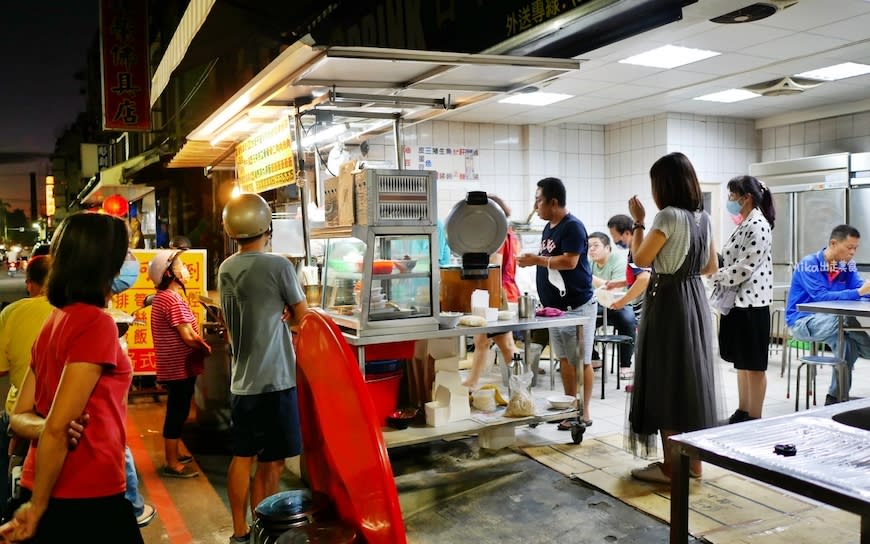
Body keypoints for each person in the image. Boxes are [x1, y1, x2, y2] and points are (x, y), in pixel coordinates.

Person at [0, 213, 143, 542]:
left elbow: (18, 417)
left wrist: (47, 425)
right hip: (86, 491)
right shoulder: (96, 324)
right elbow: (59, 426)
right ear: (104, 263)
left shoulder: (55, 321)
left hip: (47, 484)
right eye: (123, 254)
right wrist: (35, 508)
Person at [626, 152, 721, 484]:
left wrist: (637, 221)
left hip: (667, 300)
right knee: (689, 380)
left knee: (665, 379)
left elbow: (640, 258)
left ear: (663, 186)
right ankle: (693, 464)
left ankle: (670, 468)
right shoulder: (702, 217)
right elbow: (711, 267)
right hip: (694, 300)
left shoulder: (667, 216)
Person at [218, 193, 308, 544]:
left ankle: (240, 533)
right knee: (271, 463)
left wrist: (277, 312)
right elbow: (304, 317)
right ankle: (263, 531)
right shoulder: (278, 266)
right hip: (275, 380)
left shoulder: (227, 267)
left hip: (242, 382)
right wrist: (289, 317)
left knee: (242, 458)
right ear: (266, 226)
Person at [517, 177, 597, 428]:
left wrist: (536, 260)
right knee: (563, 359)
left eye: (538, 200)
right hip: (556, 310)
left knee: (580, 360)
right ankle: (568, 407)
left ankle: (583, 412)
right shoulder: (549, 227)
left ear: (553, 201)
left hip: (578, 306)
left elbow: (569, 262)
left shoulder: (572, 226)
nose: (535, 205)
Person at [712, 175, 776, 422]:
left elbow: (745, 268)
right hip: (739, 303)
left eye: (732, 195)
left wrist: (715, 275)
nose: (730, 200)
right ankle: (742, 411)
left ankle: (754, 417)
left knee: (755, 366)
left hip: (753, 304)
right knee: (742, 363)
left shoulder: (758, 224)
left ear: (746, 197)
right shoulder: (745, 222)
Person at [785, 224, 870, 405]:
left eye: (855, 248)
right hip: (803, 322)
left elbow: (859, 289)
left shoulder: (847, 266)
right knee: (845, 318)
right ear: (833, 243)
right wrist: (860, 292)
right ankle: (868, 348)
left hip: (833, 324)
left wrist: (866, 290)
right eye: (849, 247)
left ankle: (834, 398)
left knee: (847, 345)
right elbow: (820, 296)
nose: (853, 252)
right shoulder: (809, 264)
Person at [148, 249, 211, 478]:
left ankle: (173, 454)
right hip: (178, 368)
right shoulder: (171, 299)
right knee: (177, 412)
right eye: (180, 265)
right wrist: (206, 348)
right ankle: (172, 463)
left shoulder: (166, 297)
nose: (185, 269)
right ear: (168, 273)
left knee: (180, 410)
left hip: (176, 366)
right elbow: (188, 336)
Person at [0, 257, 53, 518]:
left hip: (20, 412)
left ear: (30, 284)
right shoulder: (75, 312)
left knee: (11, 463)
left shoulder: (10, 313)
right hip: (69, 416)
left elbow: (2, 370)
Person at [463, 195, 519, 390]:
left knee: (507, 347)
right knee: (482, 341)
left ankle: (521, 391)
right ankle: (472, 382)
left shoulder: (498, 235)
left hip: (497, 293)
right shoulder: (506, 232)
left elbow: (495, 267)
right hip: (496, 292)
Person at [587, 232, 637, 377]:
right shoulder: (589, 263)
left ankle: (625, 365)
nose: (591, 249)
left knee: (628, 320)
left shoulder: (618, 261)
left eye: (596, 246)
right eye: (589, 246)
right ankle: (594, 357)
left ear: (608, 248)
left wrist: (590, 277)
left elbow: (616, 289)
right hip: (598, 304)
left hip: (619, 302)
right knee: (581, 322)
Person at [605, 214, 651, 320]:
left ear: (627, 233)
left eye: (614, 236)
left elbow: (644, 279)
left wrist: (622, 301)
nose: (614, 240)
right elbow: (640, 276)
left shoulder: (637, 251)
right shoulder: (636, 250)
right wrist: (618, 283)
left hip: (647, 307)